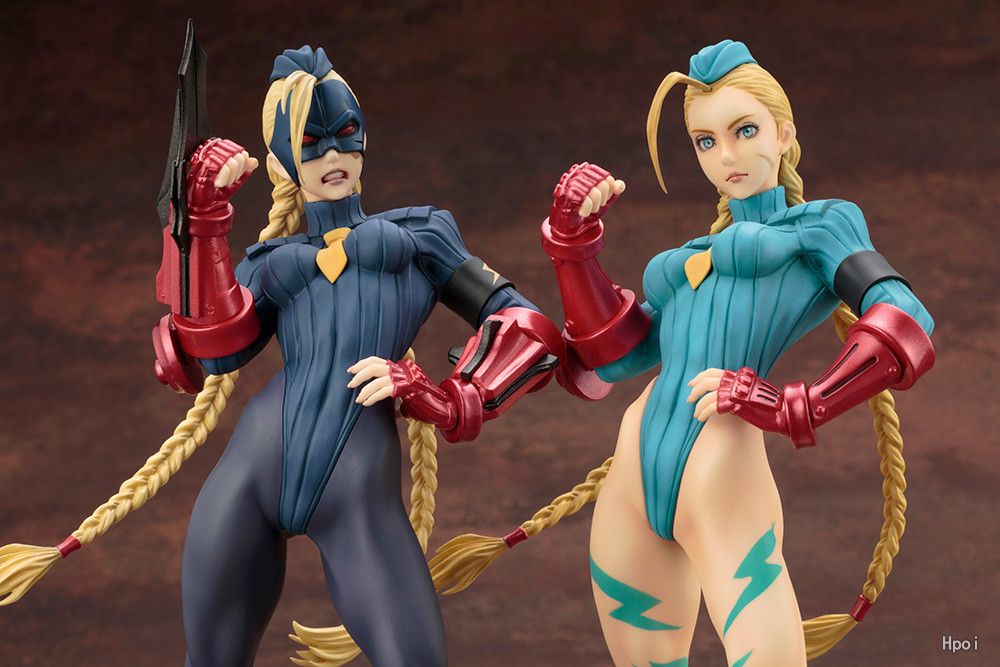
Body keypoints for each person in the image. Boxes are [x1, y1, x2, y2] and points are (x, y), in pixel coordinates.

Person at [0, 45, 564, 667]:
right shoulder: (273, 264)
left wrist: (444, 396)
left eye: (346, 135)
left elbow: (528, 327)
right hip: (251, 471)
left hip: (354, 486)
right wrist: (204, 219)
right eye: (311, 145)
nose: (333, 156)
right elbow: (208, 353)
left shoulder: (419, 237)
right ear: (280, 162)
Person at [427, 40, 935, 667]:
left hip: (720, 471)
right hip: (632, 473)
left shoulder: (820, 228)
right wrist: (572, 243)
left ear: (783, 133)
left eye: (745, 131)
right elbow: (614, 358)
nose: (727, 156)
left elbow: (904, 317)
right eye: (705, 141)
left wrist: (793, 404)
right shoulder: (692, 256)